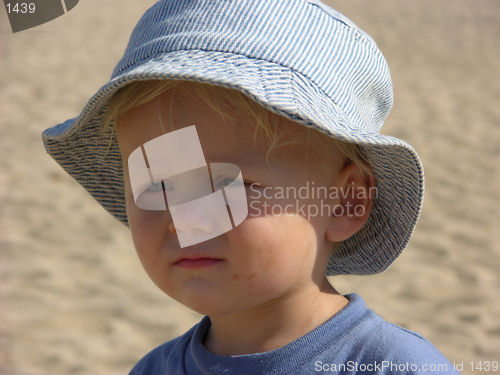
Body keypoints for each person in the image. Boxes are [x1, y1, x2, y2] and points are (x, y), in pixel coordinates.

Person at [42, 0, 460, 373]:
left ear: (345, 201)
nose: (184, 220)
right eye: (157, 185)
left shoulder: (392, 366)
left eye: (227, 183)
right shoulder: (153, 368)